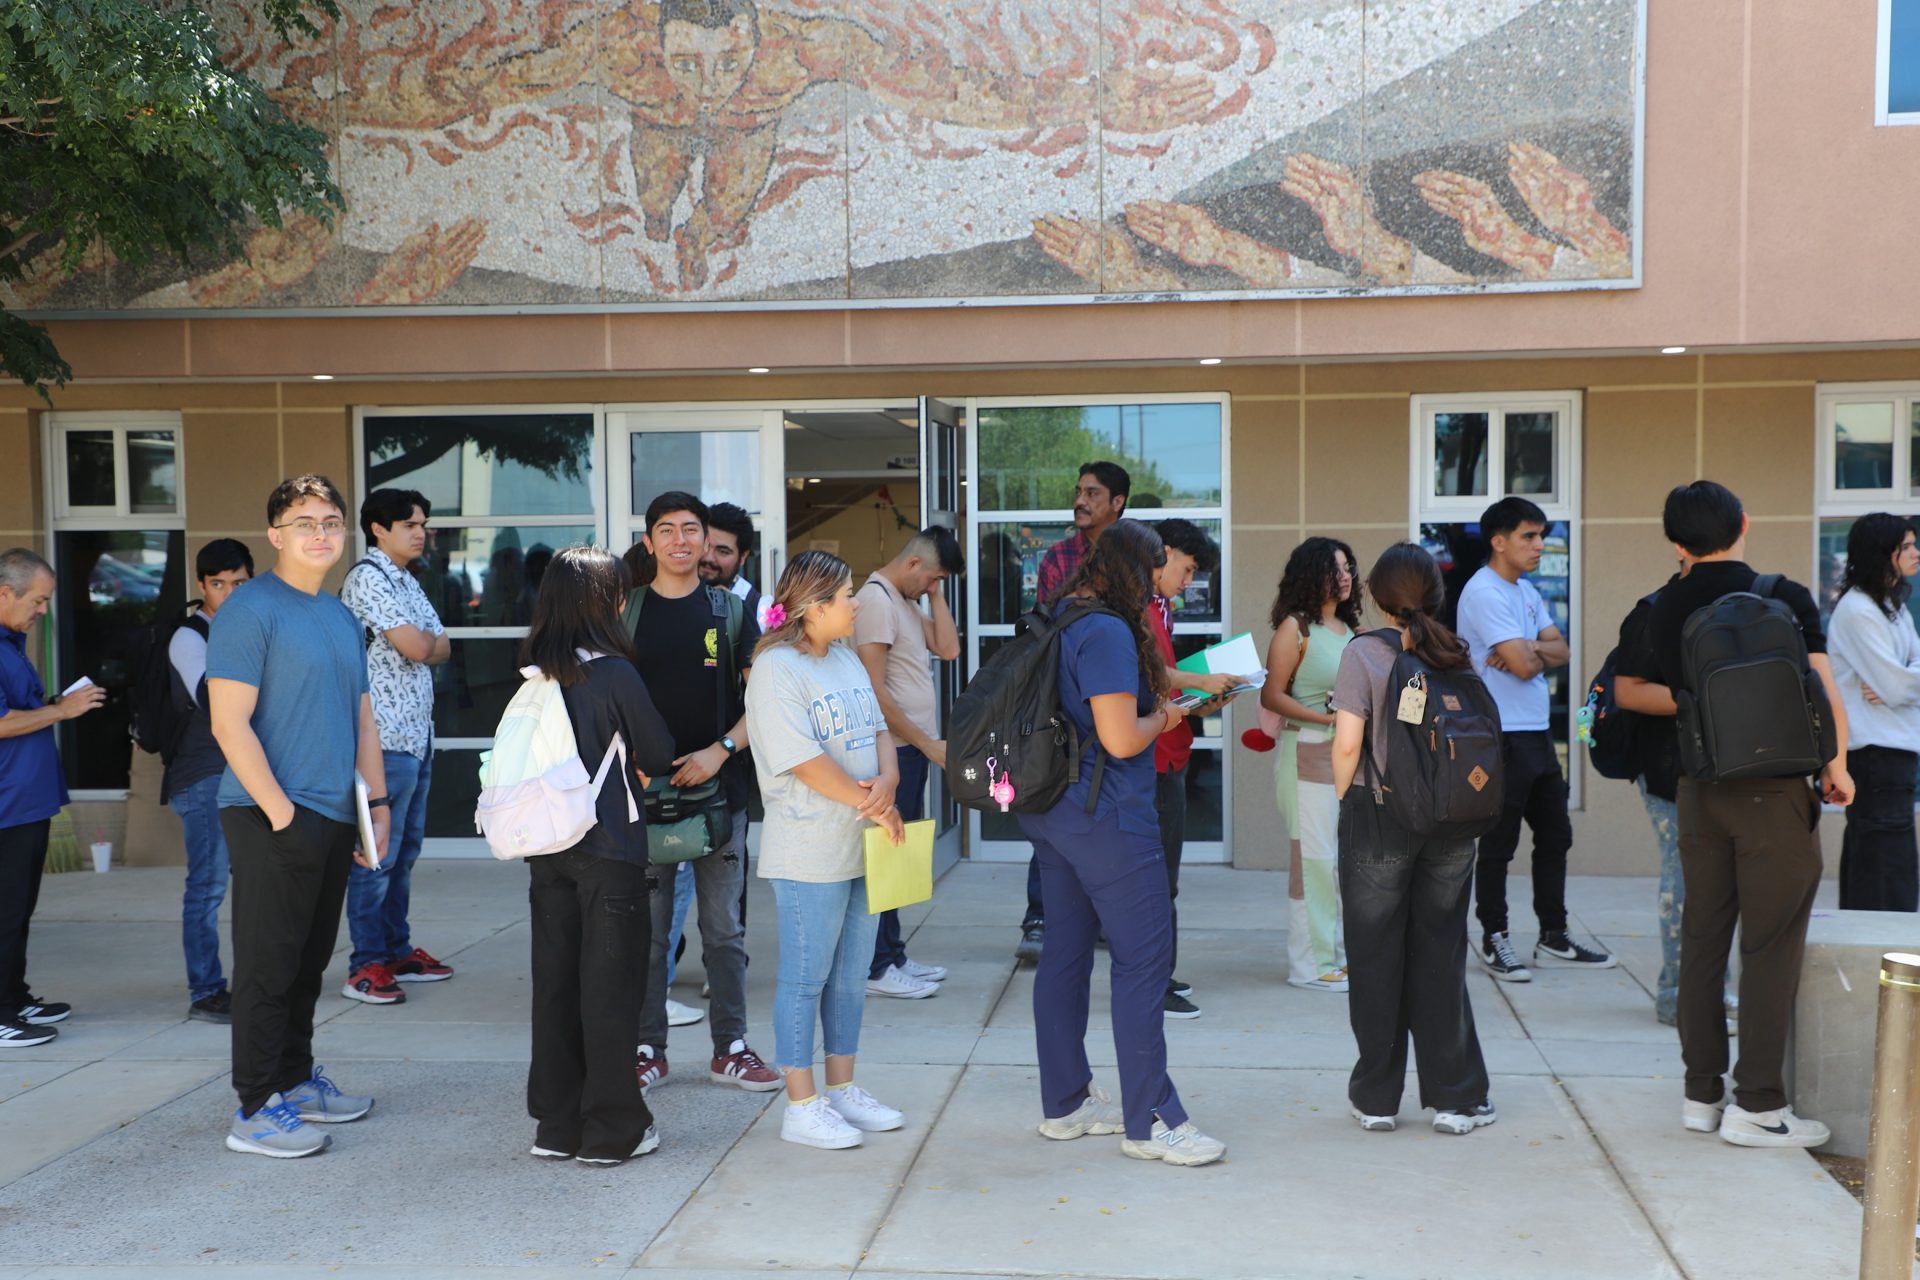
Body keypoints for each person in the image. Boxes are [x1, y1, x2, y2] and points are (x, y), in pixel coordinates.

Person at [1615, 480, 1852, 1148]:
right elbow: (1823, 691)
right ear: (1744, 522)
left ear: (1675, 541)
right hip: (1774, 792)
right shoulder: (1784, 596)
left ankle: (1701, 1095)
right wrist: (1836, 768)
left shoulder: (1662, 606)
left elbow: (1648, 690)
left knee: (1703, 942)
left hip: (1699, 790)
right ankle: (1759, 1106)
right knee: (1770, 949)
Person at [1023, 519, 1225, 1167]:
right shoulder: (1108, 629)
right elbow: (1119, 736)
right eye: (1157, 564)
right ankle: (1153, 1120)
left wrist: (1172, 695)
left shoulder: (1065, 614)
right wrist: (1166, 717)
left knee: (1065, 956)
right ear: (1136, 568)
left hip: (1057, 813)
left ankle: (1066, 1105)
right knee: (1143, 963)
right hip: (1108, 818)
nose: (1162, 577)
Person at [207, 475, 389, 1158]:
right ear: (275, 535)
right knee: (266, 966)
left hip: (334, 814)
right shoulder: (250, 609)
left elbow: (363, 721)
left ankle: (293, 1080)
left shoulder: (339, 616)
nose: (321, 534)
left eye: (331, 522)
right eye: (305, 522)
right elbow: (229, 724)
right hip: (268, 815)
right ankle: (255, 1108)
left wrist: (376, 806)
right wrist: (283, 815)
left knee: (308, 963)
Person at [1329, 543, 1495, 1136]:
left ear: (1377, 598)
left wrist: (1345, 799)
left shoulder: (1362, 653)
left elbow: (1348, 743)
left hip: (1379, 814)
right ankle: (1455, 1099)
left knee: (1375, 956)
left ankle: (1377, 1099)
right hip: (1451, 819)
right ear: (1437, 596)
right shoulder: (1454, 652)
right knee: (1441, 952)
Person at [746, 550, 910, 1149]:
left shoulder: (844, 658)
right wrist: (878, 803)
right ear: (814, 607)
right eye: (845, 595)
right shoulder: (775, 669)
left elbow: (878, 728)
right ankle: (801, 1104)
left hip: (864, 841)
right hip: (808, 847)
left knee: (848, 977)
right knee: (805, 977)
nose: (856, 603)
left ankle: (841, 1089)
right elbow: (804, 762)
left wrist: (889, 779)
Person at [522, 547, 676, 1166]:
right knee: (611, 991)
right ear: (607, 601)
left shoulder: (535, 675)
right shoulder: (614, 674)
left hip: (547, 847)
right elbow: (658, 753)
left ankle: (557, 1127)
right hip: (609, 846)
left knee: (556, 988)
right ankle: (614, 1130)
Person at [625, 491, 777, 1094]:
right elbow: (603, 697)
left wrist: (721, 750)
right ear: (649, 542)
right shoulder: (625, 610)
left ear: (705, 539)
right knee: (649, 931)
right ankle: (646, 1048)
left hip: (720, 795)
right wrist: (630, 764)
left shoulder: (729, 611)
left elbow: (762, 699)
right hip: (645, 796)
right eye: (667, 530)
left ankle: (730, 1047)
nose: (681, 541)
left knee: (724, 931)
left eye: (691, 529)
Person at [1455, 497, 1613, 980]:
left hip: (1537, 733)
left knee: (1555, 836)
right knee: (1499, 844)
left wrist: (1528, 647)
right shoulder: (1484, 592)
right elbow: (1526, 666)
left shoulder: (1525, 591)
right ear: (1498, 541)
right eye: (1529, 536)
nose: (1540, 544)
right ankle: (1495, 937)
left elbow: (1562, 651)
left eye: (1542, 535)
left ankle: (1554, 935)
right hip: (1499, 736)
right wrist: (1529, 653)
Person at [338, 488, 454, 1005]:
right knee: (376, 856)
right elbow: (417, 645)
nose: (420, 532)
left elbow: (442, 644)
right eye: (410, 524)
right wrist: (423, 643)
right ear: (379, 529)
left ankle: (394, 951)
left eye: (422, 523)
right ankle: (365, 965)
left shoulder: (405, 579)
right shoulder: (368, 577)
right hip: (379, 741)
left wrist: (424, 643)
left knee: (403, 854)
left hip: (415, 737)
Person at [1018, 460, 1131, 965]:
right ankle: (1040, 918)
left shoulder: (1133, 554)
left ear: (1118, 502)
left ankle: (1102, 917)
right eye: (1079, 491)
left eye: (1093, 493)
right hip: (1063, 708)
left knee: (1106, 818)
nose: (1080, 500)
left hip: (1118, 700)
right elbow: (1047, 633)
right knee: (1054, 808)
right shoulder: (1059, 557)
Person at [0, 548, 105, 1048]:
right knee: (6, 909)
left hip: (28, 798)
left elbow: (21, 709)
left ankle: (14, 996)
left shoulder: (11, 641)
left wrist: (54, 705)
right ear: (5, 593)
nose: (43, 611)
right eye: (37, 601)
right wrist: (61, 711)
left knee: (20, 908)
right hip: (7, 803)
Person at [856, 526, 964, 1000]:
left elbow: (949, 649)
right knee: (887, 856)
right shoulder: (877, 600)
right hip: (895, 751)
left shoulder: (904, 599)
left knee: (898, 856)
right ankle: (876, 967)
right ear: (914, 563)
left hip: (912, 749)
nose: (931, 586)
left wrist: (935, 594)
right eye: (932, 578)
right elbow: (874, 691)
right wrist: (925, 742)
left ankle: (893, 955)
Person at [1261, 537, 1361, 994]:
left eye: (1348, 567)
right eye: (1334, 568)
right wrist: (1327, 719)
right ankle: (1312, 965)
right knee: (1314, 862)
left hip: (1345, 755)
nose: (1345, 576)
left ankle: (1333, 955)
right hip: (1305, 752)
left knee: (1335, 862)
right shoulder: (1294, 628)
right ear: (1310, 574)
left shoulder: (1350, 629)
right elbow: (1272, 695)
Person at [1147, 519, 1238, 1017]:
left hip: (1169, 753)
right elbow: (1148, 675)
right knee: (1156, 883)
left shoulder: (1160, 607)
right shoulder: (1135, 607)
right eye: (1186, 570)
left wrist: (1205, 697)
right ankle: (1152, 984)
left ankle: (1160, 975)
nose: (1188, 582)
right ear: (1162, 553)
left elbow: (1166, 686)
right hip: (1151, 760)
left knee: (1165, 881)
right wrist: (1202, 683)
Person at [165, 539, 254, 1023]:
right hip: (203, 775)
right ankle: (205, 991)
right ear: (201, 585)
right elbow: (213, 700)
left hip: (244, 772)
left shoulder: (250, 627)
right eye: (218, 584)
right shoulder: (189, 636)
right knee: (207, 886)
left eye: (239, 583)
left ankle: (255, 981)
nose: (229, 593)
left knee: (256, 883)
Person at [1826, 512, 1920, 911]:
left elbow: (1901, 680)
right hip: (1874, 755)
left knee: (1886, 865)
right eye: (1906, 547)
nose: (1916, 553)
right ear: (1882, 554)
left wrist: (1902, 682)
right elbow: (1895, 686)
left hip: (1893, 753)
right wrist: (1900, 683)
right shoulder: (1859, 610)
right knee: (1883, 871)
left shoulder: (1893, 607)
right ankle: (1876, 951)